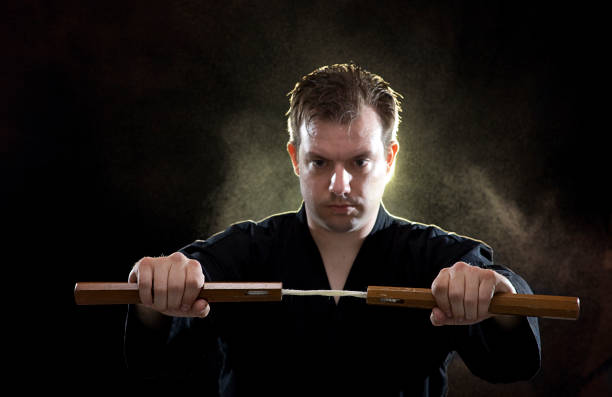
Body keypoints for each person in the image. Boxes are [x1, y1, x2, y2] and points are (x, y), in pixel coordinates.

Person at [124, 63, 541, 396]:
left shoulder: (436, 258)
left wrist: (499, 297)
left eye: (359, 161)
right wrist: (157, 291)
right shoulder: (244, 252)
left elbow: (511, 364)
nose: (339, 184)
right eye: (320, 162)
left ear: (390, 158)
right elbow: (156, 360)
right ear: (294, 158)